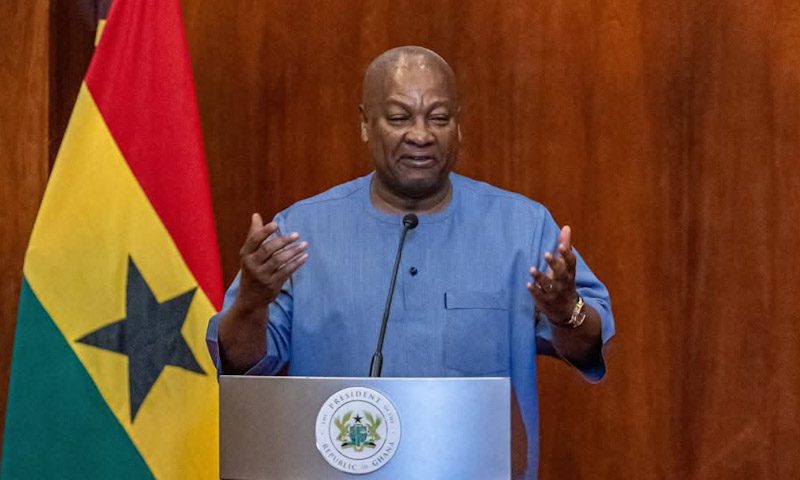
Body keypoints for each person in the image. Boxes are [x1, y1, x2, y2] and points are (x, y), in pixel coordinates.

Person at [207, 45, 614, 479]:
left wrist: (566, 311)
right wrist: (251, 302)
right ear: (365, 124)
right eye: (400, 118)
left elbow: (589, 346)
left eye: (439, 118)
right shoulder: (300, 232)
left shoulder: (522, 227)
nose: (421, 135)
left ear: (458, 126)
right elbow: (243, 368)